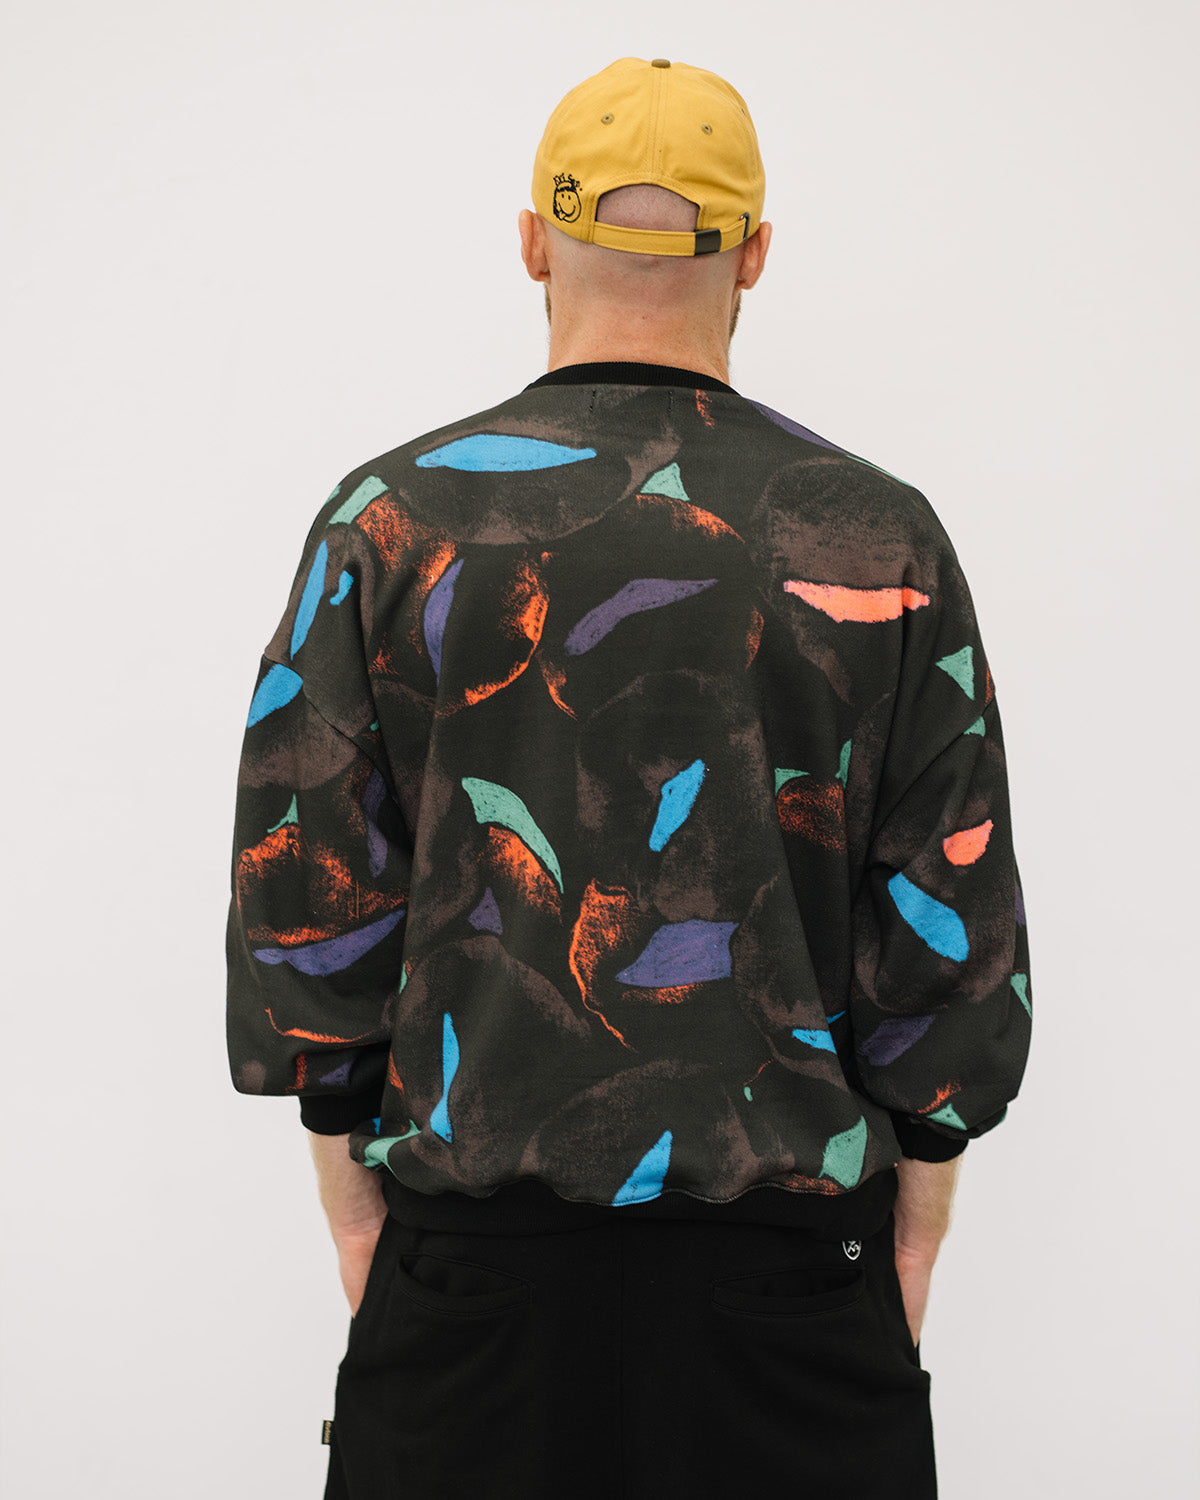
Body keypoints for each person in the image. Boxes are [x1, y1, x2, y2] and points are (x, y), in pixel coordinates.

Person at [226, 56, 1031, 1500]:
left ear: (533, 240)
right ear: (756, 254)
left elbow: (308, 912)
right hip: (790, 1289)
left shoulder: (386, 524)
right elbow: (948, 928)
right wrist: (912, 1235)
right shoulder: (877, 540)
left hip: (470, 1284)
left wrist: (360, 1221)